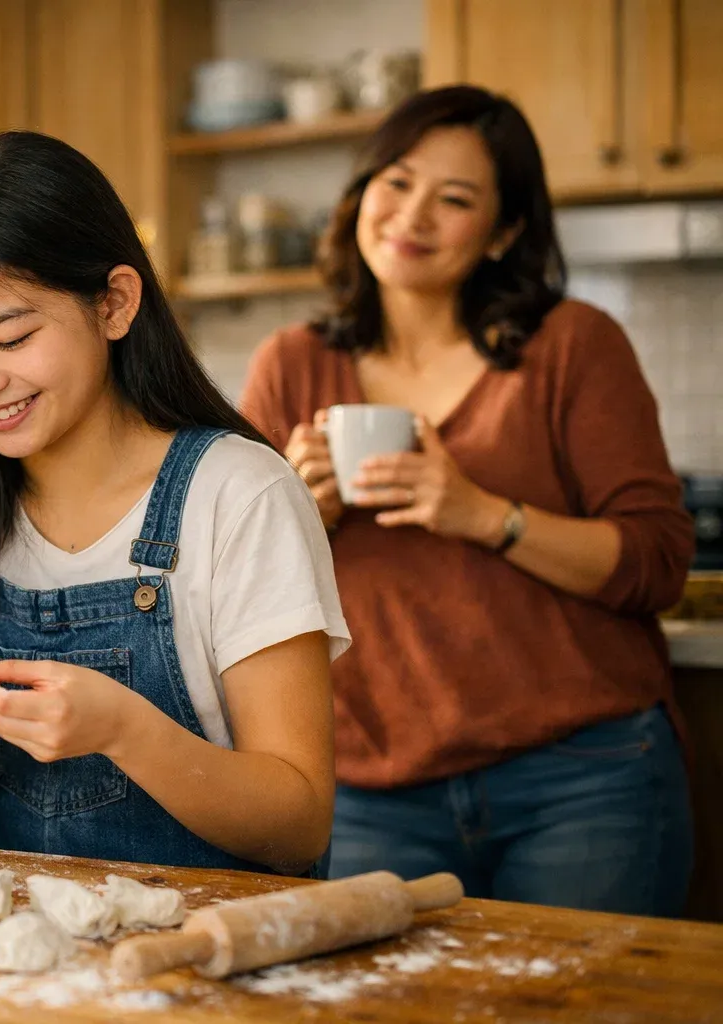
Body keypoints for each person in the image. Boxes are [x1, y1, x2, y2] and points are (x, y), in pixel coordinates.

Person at [240, 86, 695, 915]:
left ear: (505, 232)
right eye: (398, 182)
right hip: (369, 785)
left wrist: (485, 514)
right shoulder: (291, 365)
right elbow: (230, 596)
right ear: (363, 193)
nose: (412, 216)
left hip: (583, 779)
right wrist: (298, 517)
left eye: (455, 199)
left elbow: (659, 562)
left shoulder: (574, 346)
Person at [0, 130, 350, 873]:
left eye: (12, 338)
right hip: (5, 959)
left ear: (115, 304)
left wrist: (125, 730)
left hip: (203, 955)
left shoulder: (239, 493)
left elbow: (297, 826)